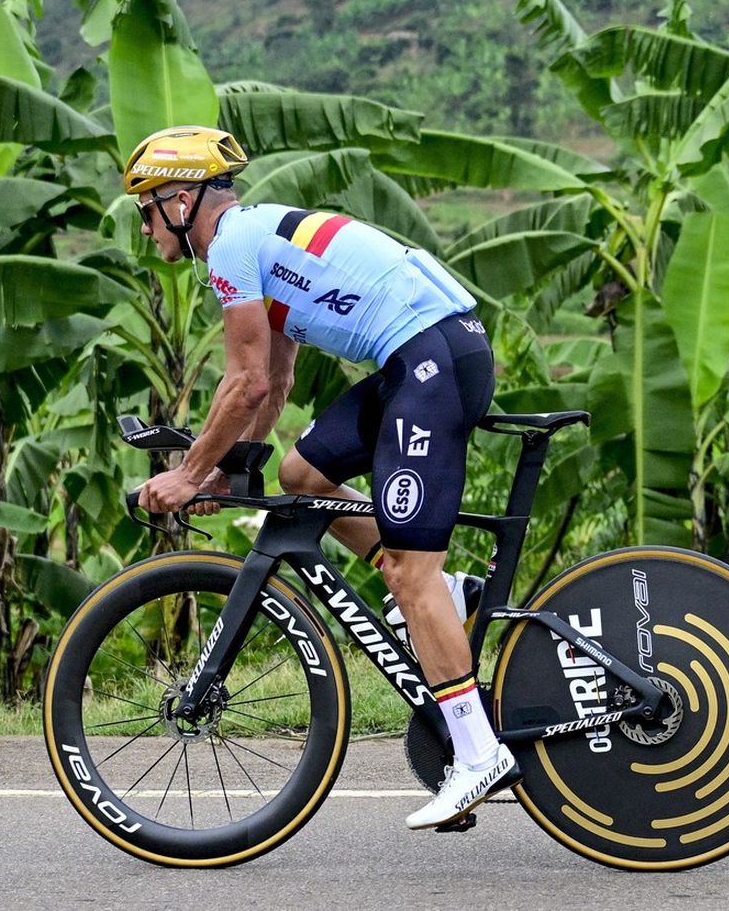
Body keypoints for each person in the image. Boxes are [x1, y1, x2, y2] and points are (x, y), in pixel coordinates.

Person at [126, 125, 517, 828]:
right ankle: (449, 595)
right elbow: (274, 384)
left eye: (147, 211)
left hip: (431, 361)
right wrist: (229, 472)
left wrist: (188, 474)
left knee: (412, 576)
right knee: (302, 473)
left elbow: (243, 382)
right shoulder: (254, 242)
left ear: (181, 202)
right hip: (421, 358)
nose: (147, 229)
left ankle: (477, 751)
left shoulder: (232, 246)